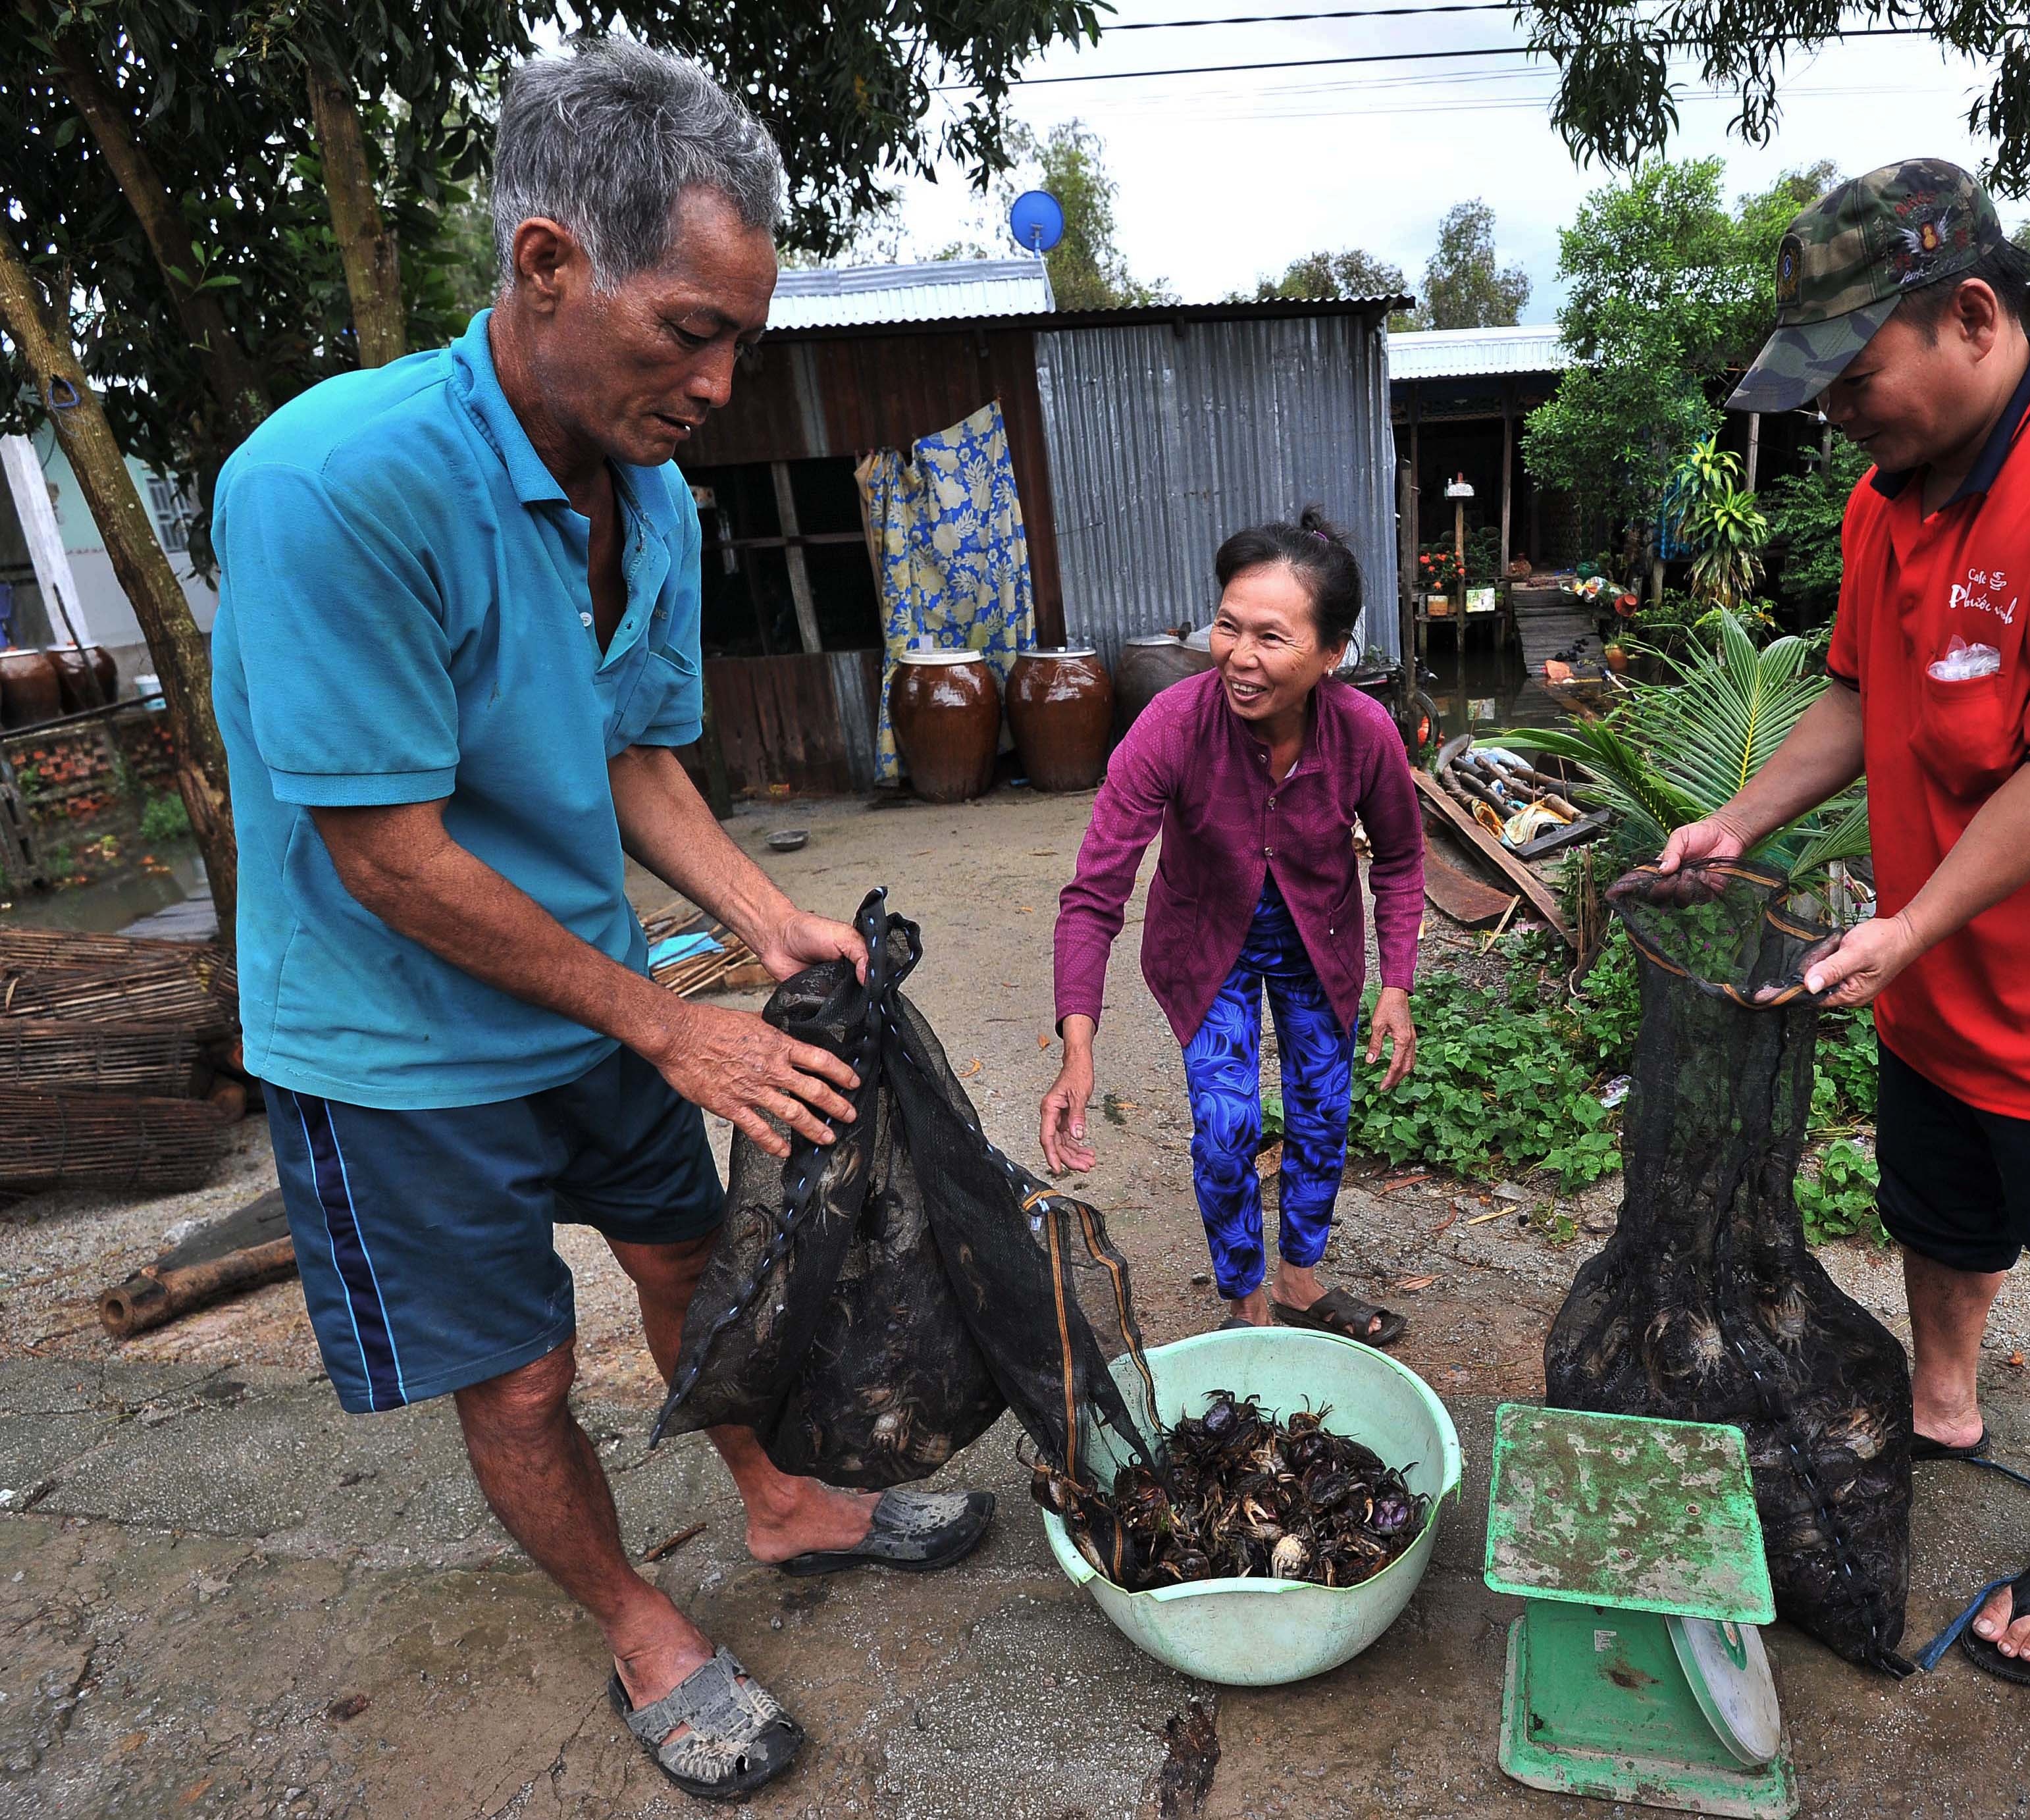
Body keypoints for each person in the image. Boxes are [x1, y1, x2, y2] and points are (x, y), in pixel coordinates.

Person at [209, 39, 991, 1802]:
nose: (719, 383)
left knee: (693, 1266)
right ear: (549, 263)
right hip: (393, 1043)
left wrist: (762, 919)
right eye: (690, 332)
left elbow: (635, 756)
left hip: (589, 993)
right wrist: (667, 1021)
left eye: (741, 342)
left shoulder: (650, 495)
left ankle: (780, 1501)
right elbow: (386, 858)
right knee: (518, 1379)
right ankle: (640, 1622)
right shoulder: (334, 484)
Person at [1667, 160, 2030, 1688]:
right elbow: (1859, 694)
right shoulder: (1884, 502)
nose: (1836, 411)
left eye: (1854, 376)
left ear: (1973, 316)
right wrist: (1741, 819)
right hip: (1935, 986)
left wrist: (1906, 924)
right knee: (1941, 1214)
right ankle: (1944, 1399)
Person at [1041, 511, 1424, 1342]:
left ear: (1331, 652)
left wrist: (1396, 983)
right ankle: (1245, 1297)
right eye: (1227, 626)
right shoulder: (1171, 724)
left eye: (1271, 637)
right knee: (1225, 1126)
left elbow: (1398, 858)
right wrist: (1078, 1044)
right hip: (1203, 946)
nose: (1239, 657)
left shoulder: (1365, 733)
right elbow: (1096, 890)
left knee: (1323, 1110)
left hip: (1318, 945)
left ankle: (1299, 1278)